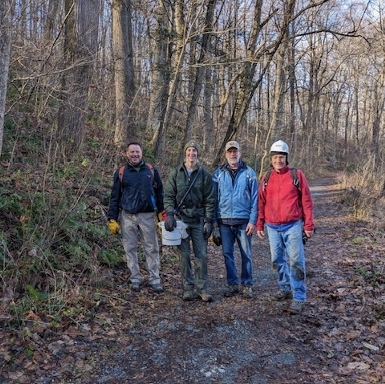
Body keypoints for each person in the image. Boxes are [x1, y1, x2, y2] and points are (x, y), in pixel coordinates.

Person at [256, 140, 314, 314]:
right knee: (277, 260)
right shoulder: (266, 178)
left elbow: (307, 201)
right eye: (275, 157)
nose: (278, 160)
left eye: (281, 157)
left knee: (296, 261)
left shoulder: (297, 175)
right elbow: (261, 202)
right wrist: (260, 222)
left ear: (286, 158)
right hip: (272, 227)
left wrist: (309, 224)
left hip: (292, 225)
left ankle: (299, 297)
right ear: (271, 159)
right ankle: (285, 287)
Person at [107, 142, 165, 293]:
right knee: (130, 248)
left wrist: (162, 213)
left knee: (152, 248)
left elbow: (160, 193)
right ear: (127, 153)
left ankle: (154, 279)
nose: (135, 155)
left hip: (147, 215)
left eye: (137, 152)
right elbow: (115, 197)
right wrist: (112, 218)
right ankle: (135, 278)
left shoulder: (151, 170)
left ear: (142, 153)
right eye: (132, 152)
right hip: (128, 216)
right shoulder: (121, 172)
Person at [163, 140, 215, 302]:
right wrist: (170, 214)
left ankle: (202, 288)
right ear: (185, 152)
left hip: (199, 220)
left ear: (198, 154)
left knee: (201, 255)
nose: (191, 154)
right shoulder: (175, 173)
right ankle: (188, 288)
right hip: (181, 221)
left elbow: (210, 199)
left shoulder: (205, 175)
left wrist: (209, 221)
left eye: (194, 151)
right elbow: (169, 196)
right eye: (189, 150)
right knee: (184, 255)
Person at [212, 140, 258, 299]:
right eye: (230, 151)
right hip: (223, 221)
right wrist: (214, 223)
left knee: (246, 254)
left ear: (240, 153)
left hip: (243, 220)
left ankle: (247, 284)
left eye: (235, 151)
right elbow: (213, 199)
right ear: (226, 154)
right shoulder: (218, 173)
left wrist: (253, 220)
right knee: (227, 254)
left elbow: (255, 198)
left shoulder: (249, 173)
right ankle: (232, 284)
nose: (233, 154)